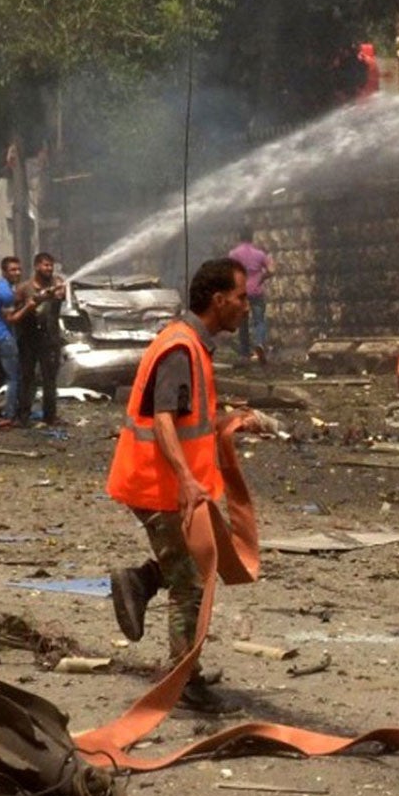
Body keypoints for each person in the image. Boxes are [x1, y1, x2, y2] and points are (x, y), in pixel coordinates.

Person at [105, 258, 254, 714]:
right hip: (159, 485)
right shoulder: (181, 348)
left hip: (166, 483)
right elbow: (164, 418)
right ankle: (183, 680)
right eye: (242, 297)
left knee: (190, 564)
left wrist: (235, 422)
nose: (247, 307)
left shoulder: (190, 344)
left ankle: (141, 580)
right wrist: (188, 481)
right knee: (190, 582)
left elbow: (190, 417)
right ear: (219, 300)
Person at [17, 252, 69, 426]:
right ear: (37, 266)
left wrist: (55, 291)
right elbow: (17, 312)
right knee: (27, 377)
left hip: (50, 339)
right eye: (46, 265)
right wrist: (32, 303)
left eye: (51, 265)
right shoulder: (24, 288)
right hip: (29, 339)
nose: (49, 268)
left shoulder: (57, 283)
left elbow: (61, 295)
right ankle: (23, 416)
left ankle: (50, 416)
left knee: (50, 379)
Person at [0, 257, 33, 425]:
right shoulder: (6, 293)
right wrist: (29, 306)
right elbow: (11, 319)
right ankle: (9, 415)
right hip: (3, 338)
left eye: (19, 269)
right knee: (14, 378)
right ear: (4, 272)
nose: (17, 273)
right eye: (13, 270)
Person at [226, 228, 273, 365]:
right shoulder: (260, 254)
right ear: (252, 238)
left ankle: (245, 353)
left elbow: (228, 271)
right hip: (257, 292)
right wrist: (261, 278)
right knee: (259, 321)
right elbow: (271, 270)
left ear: (239, 237)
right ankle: (260, 344)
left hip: (241, 293)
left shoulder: (233, 254)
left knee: (243, 323)